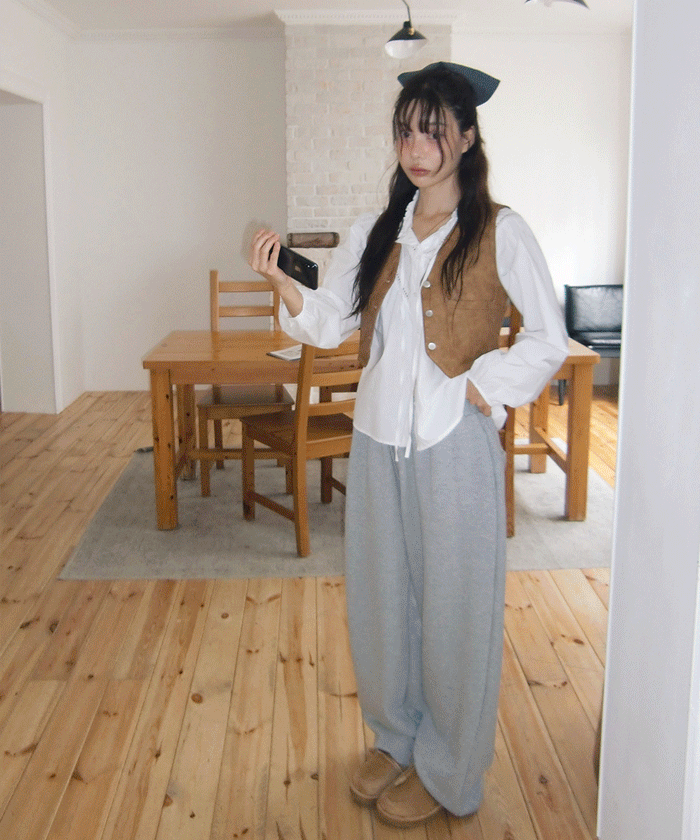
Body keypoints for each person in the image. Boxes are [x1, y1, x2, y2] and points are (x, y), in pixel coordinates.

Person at [249, 61, 569, 828]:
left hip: (454, 444)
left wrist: (481, 388)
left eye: (433, 131)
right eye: (406, 133)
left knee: (456, 609)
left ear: (467, 136)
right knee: (381, 599)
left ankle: (450, 767)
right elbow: (331, 320)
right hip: (376, 439)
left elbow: (549, 338)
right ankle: (395, 738)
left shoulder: (501, 230)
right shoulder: (377, 228)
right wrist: (284, 284)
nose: (417, 148)